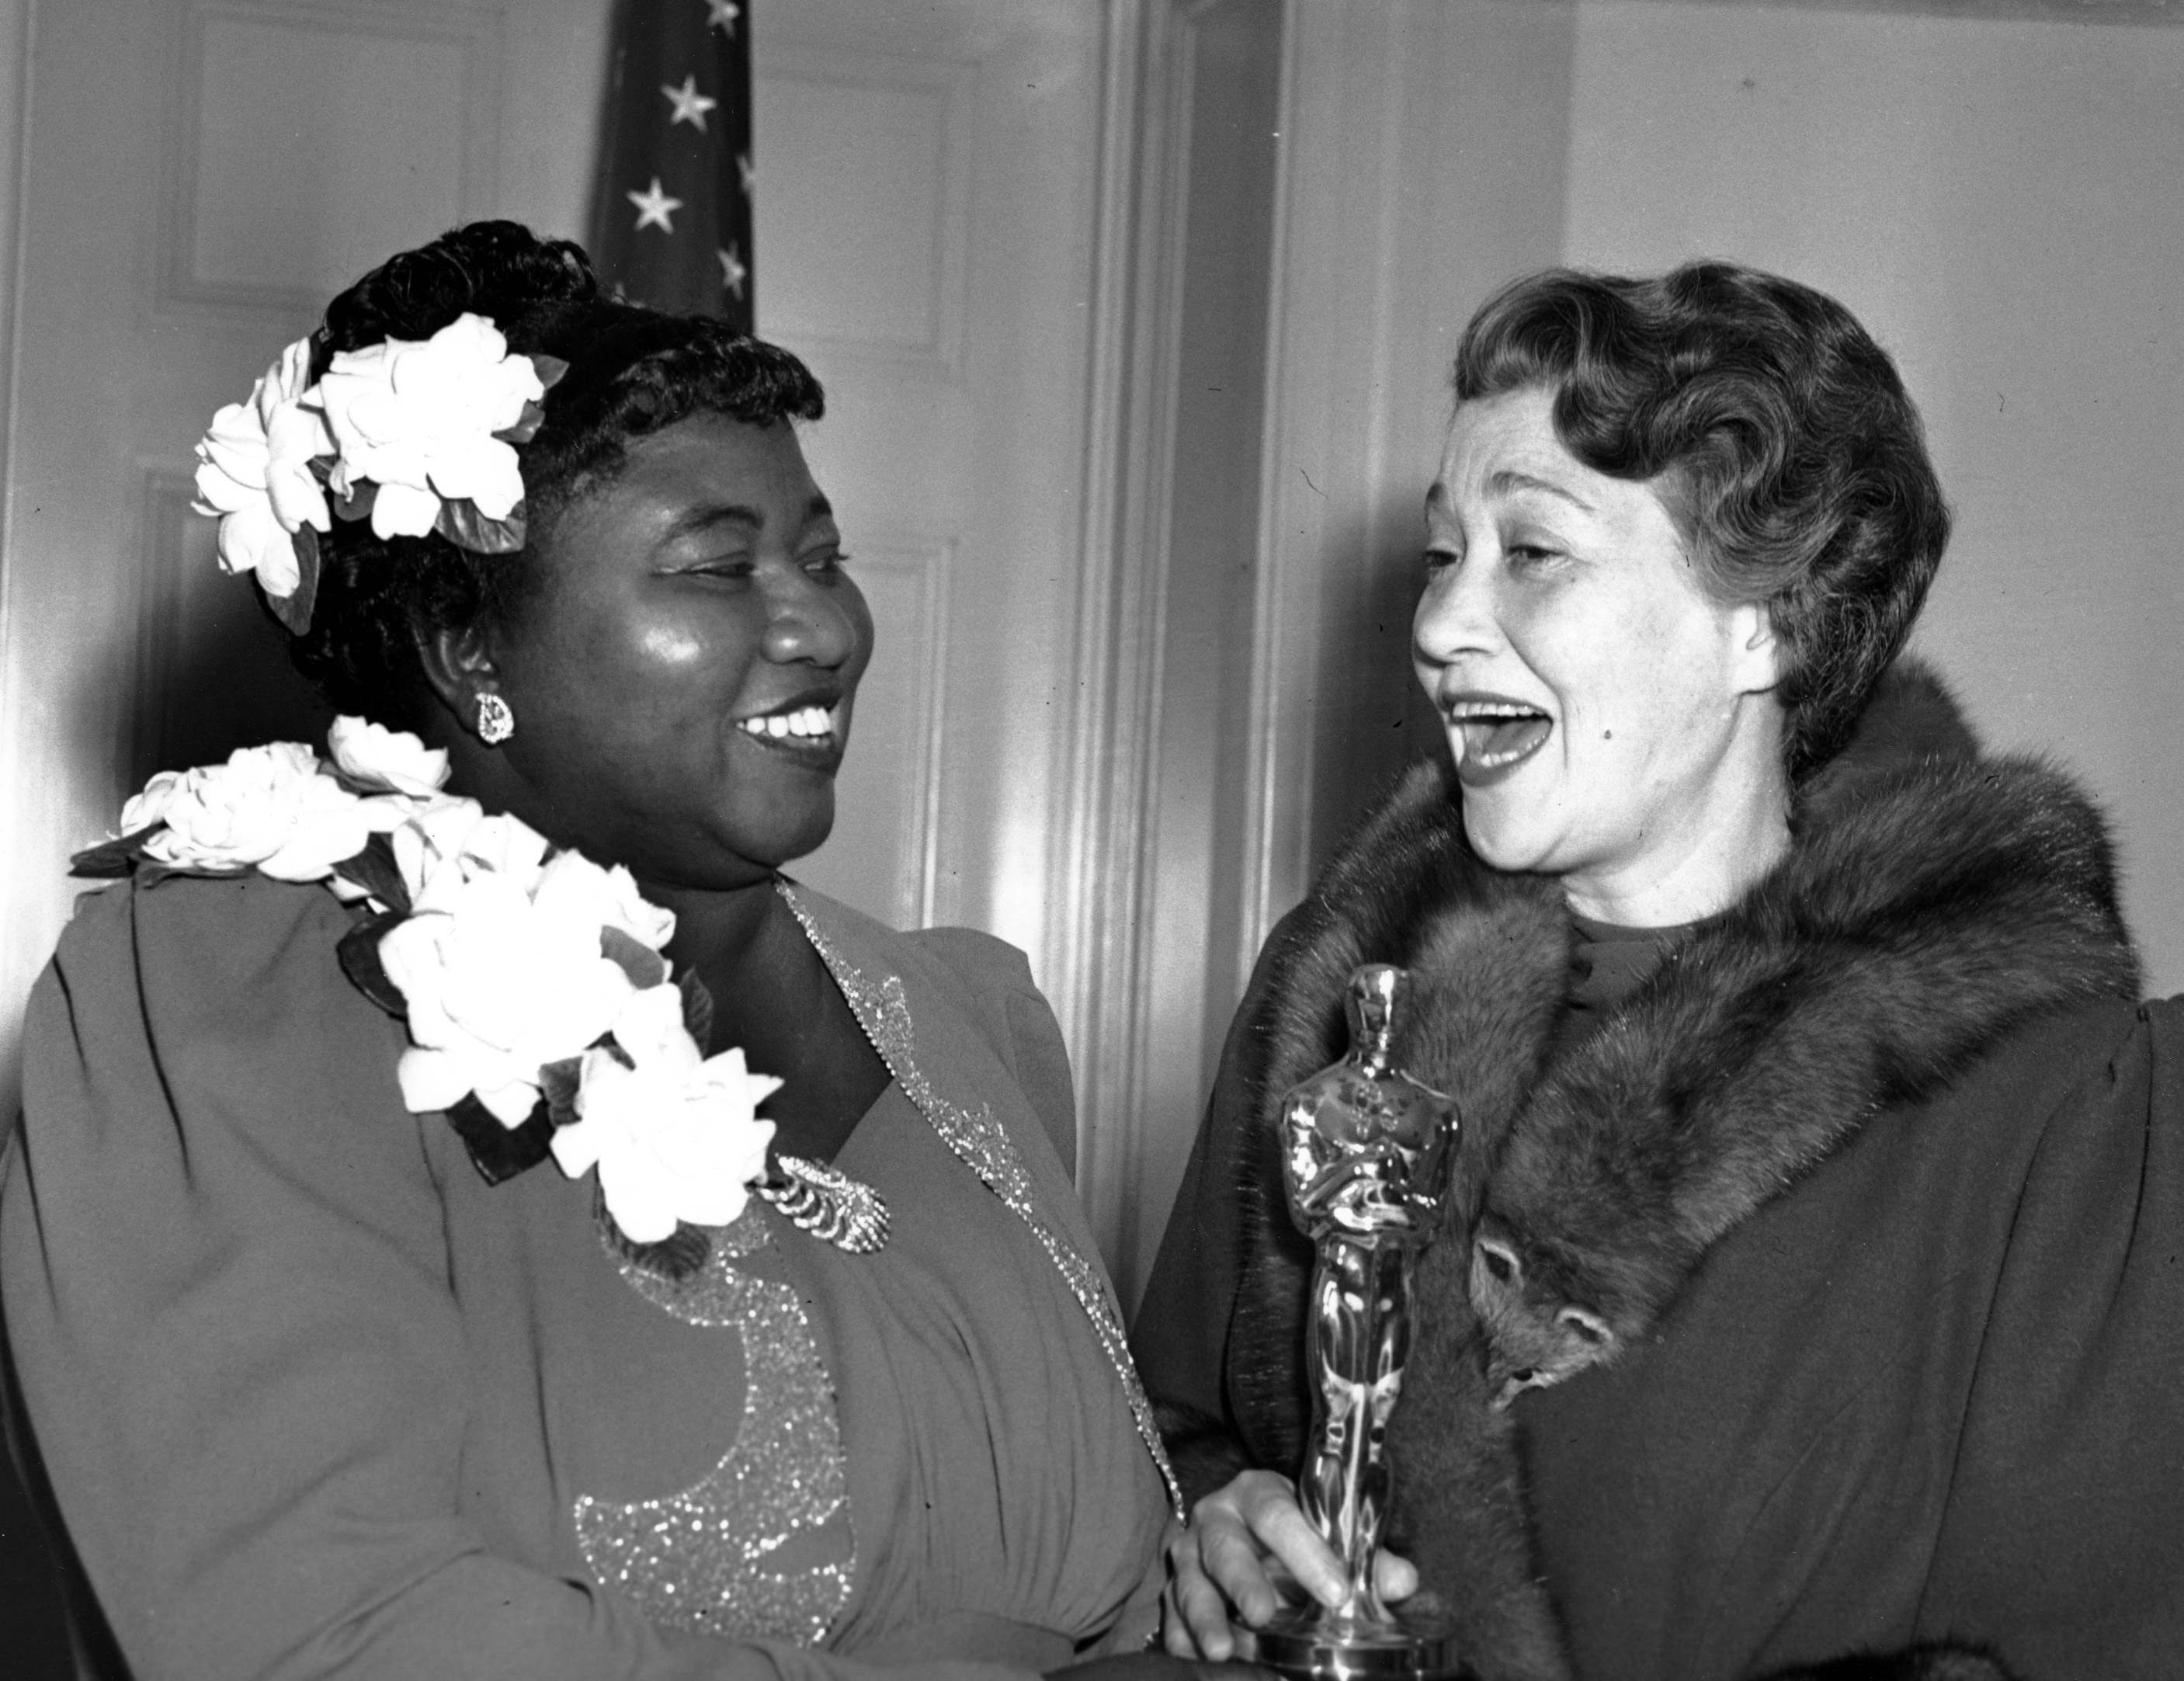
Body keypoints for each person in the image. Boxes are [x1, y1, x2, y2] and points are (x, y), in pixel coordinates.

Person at [1, 221, 1201, 1681]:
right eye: (717, 568)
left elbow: (1087, 1574)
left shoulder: (959, 1009)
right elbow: (318, 1635)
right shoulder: (233, 1002)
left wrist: (1211, 1565)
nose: (821, 622)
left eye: (822, 554)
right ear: (472, 654)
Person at [1131, 262, 2184, 1681]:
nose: (1441, 626)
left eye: (1533, 553)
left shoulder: (2049, 1095)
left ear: (1768, 616)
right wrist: (1215, 1518)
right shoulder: (1337, 990)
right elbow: (1175, 1427)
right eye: (1443, 556)